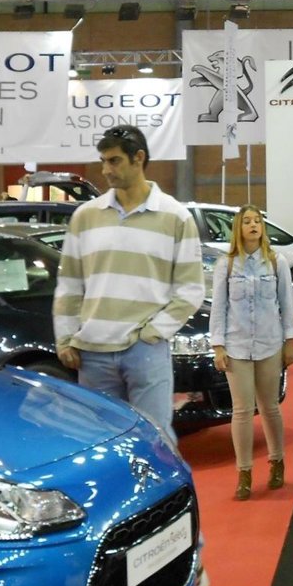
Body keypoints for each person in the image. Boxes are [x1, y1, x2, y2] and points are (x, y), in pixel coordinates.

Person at [53, 125, 205, 445]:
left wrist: (152, 333)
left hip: (145, 351)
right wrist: (65, 338)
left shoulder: (176, 217)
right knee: (100, 443)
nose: (106, 170)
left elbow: (190, 288)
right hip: (91, 352)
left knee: (155, 440)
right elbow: (69, 285)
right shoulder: (85, 216)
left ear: (138, 158)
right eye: (103, 161)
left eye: (114, 161)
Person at [210, 205, 293, 501]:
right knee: (242, 410)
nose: (253, 225)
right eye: (246, 221)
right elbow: (218, 307)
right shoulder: (226, 264)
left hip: (270, 344)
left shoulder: (276, 262)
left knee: (270, 407)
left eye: (257, 221)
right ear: (238, 228)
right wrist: (218, 346)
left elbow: (287, 304)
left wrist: (289, 341)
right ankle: (244, 472)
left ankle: (277, 461)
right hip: (236, 346)